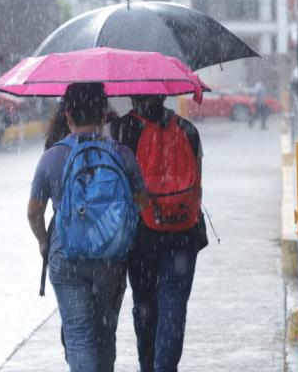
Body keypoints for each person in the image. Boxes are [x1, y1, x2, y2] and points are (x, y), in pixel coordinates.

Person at [27, 82, 148, 372]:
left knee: (79, 335)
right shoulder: (122, 154)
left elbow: (33, 212)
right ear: (105, 113)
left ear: (67, 115)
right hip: (111, 255)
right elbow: (142, 202)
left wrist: (45, 242)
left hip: (66, 255)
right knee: (105, 331)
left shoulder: (53, 157)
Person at [110, 95, 208, 372]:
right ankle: (165, 367)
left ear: (131, 94)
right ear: (165, 93)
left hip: (141, 235)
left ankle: (148, 366)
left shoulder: (119, 131)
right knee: (174, 304)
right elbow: (198, 184)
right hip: (183, 231)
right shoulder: (188, 130)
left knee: (144, 303)